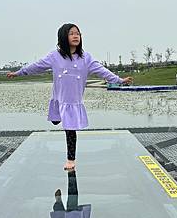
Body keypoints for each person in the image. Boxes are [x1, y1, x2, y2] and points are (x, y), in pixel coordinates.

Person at [7, 23, 133, 171]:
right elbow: (37, 66)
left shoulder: (86, 58)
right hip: (59, 98)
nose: (76, 36)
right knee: (55, 121)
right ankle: (58, 116)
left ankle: (71, 160)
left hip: (73, 102)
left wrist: (119, 80)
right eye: (72, 33)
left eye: (78, 33)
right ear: (63, 37)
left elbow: (102, 71)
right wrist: (19, 73)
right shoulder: (54, 56)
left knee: (70, 129)